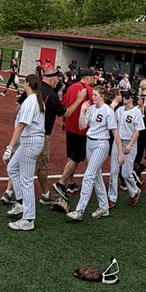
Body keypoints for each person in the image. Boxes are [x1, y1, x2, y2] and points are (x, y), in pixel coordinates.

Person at [66, 87, 117, 221]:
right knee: (97, 176)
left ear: (102, 96)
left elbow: (115, 132)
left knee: (88, 176)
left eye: (95, 95)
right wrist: (82, 110)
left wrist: (120, 153)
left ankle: (79, 210)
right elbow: (82, 126)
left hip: (101, 144)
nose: (92, 96)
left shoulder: (108, 111)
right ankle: (104, 207)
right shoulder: (92, 108)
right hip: (90, 142)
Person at [5, 75, 47, 231]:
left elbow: (22, 125)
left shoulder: (31, 100)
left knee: (27, 180)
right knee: (12, 169)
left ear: (28, 83)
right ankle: (22, 203)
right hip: (29, 140)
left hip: (31, 141)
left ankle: (29, 218)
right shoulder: (36, 98)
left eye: (24, 82)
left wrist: (10, 147)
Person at [52, 68, 97, 200]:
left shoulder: (71, 87)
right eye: (92, 77)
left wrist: (65, 121)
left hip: (70, 125)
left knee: (71, 155)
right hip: (81, 128)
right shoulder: (88, 90)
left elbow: (64, 105)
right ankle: (61, 183)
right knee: (76, 157)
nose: (94, 79)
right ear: (88, 78)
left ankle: (71, 184)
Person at [108, 91, 143, 207]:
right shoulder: (119, 110)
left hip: (129, 142)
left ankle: (134, 192)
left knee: (126, 173)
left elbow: (138, 130)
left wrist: (130, 145)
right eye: (123, 96)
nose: (124, 98)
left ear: (132, 98)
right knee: (114, 170)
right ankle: (112, 198)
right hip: (117, 142)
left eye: (127, 96)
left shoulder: (137, 112)